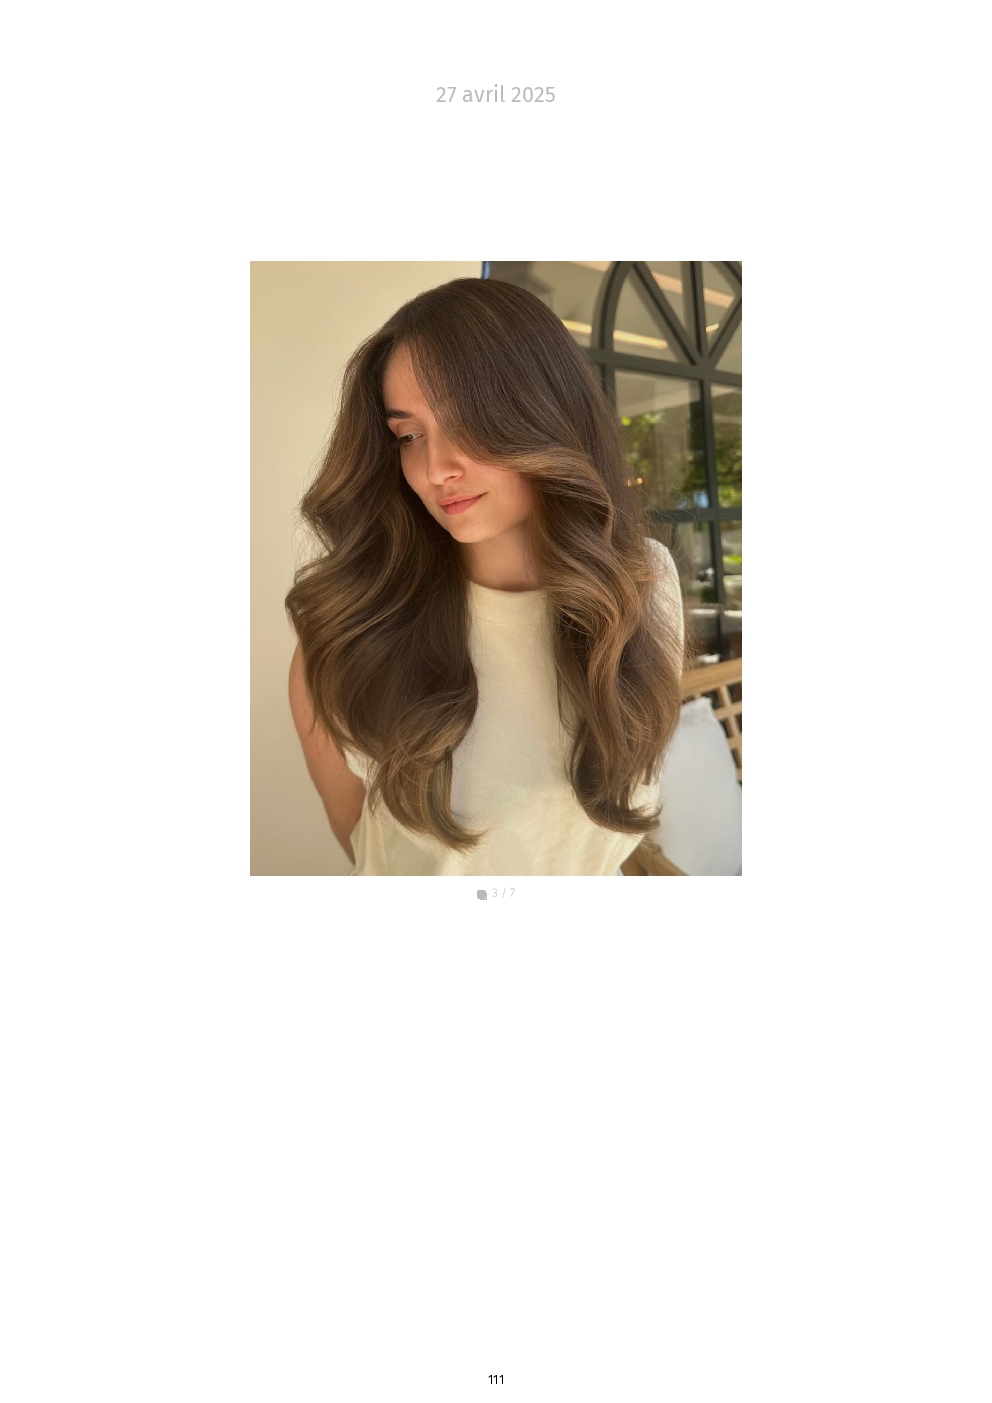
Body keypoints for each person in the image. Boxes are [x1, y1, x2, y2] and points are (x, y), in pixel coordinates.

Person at [286, 276, 685, 876]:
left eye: (468, 421)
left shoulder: (645, 583)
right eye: (409, 436)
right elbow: (360, 835)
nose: (436, 468)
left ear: (548, 414)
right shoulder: (346, 633)